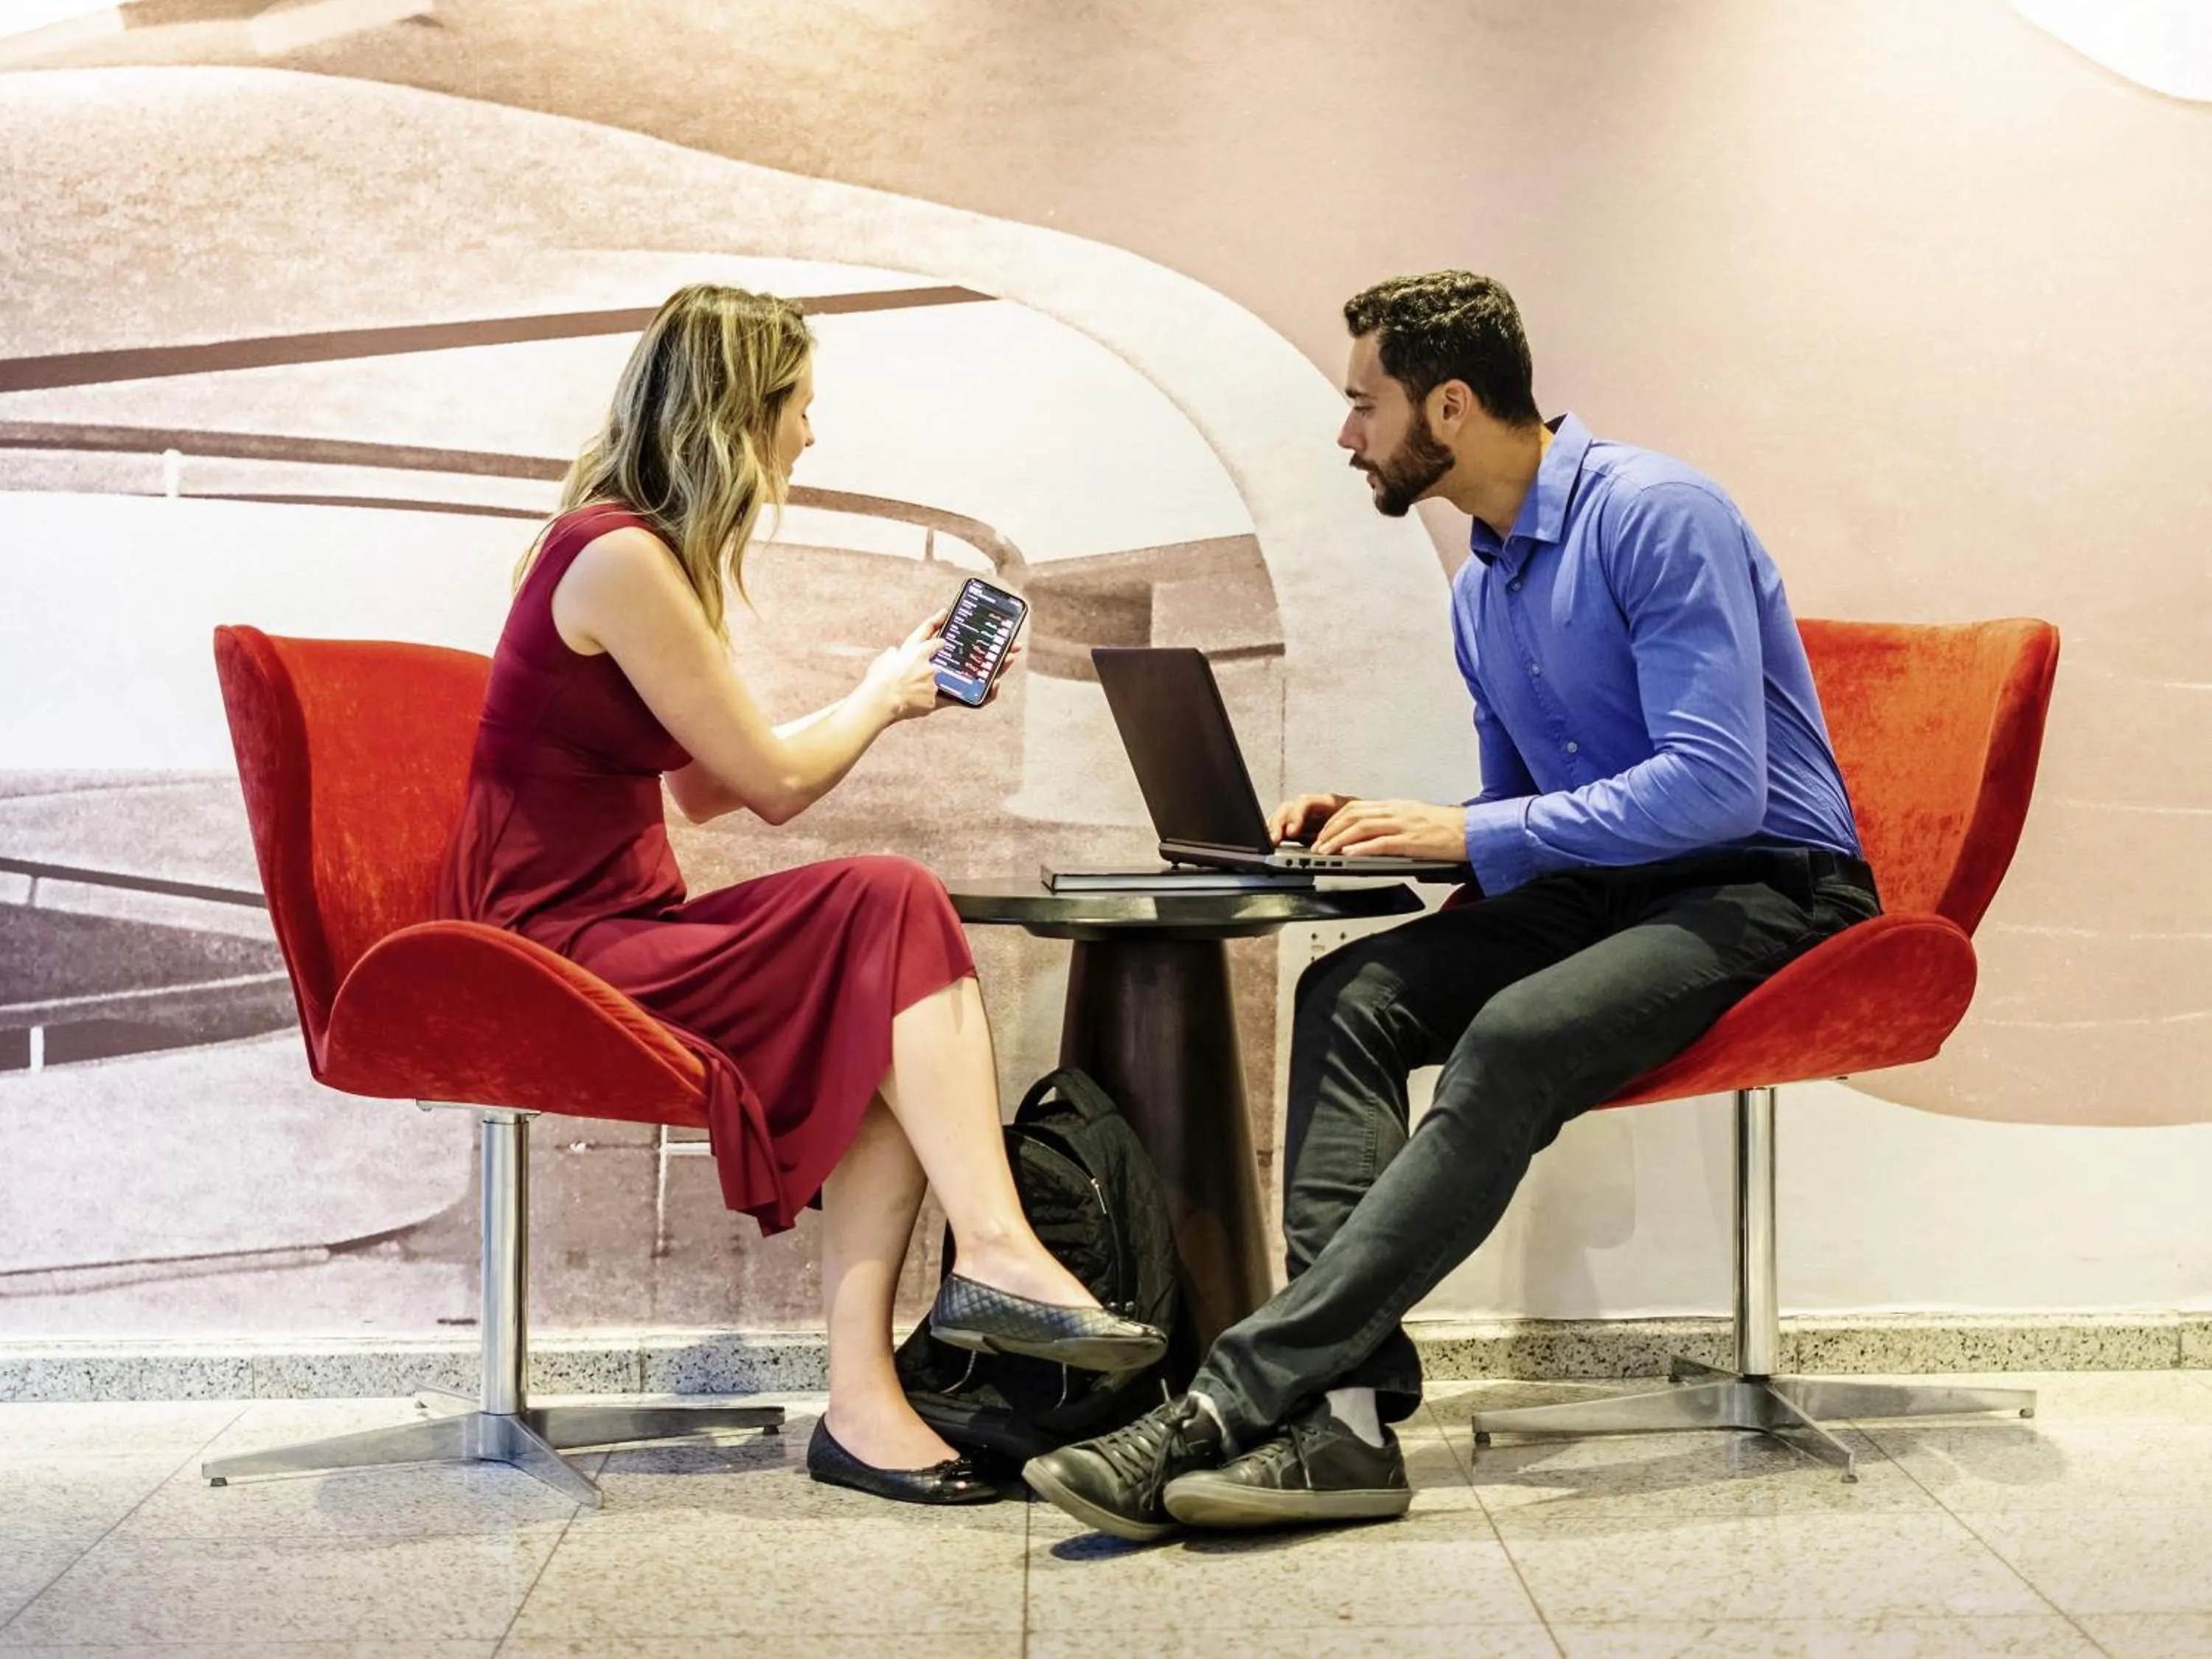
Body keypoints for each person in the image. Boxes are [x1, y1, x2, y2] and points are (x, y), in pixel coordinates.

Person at [1023, 271, 1879, 1540]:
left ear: (1454, 405)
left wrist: (1471, 828)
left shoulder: (1659, 517)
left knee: (1517, 1036)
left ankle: (1228, 1403)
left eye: (1365, 403)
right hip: (1612, 891)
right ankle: (1350, 1420)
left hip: (1769, 887)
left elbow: (1713, 788)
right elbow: (1531, 837)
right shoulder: (1483, 589)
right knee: (1352, 991)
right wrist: (1377, 835)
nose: (1346, 434)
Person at [439, 284, 1162, 1509]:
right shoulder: (617, 558)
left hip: (614, 924)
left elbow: (710, 795)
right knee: (885, 912)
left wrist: (883, 689)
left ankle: (872, 1396)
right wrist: (882, 695)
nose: (810, 436)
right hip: (552, 950)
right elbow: (769, 787)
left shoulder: (632, 551)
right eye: (800, 408)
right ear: (739, 413)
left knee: (878, 967)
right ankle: (989, 1255)